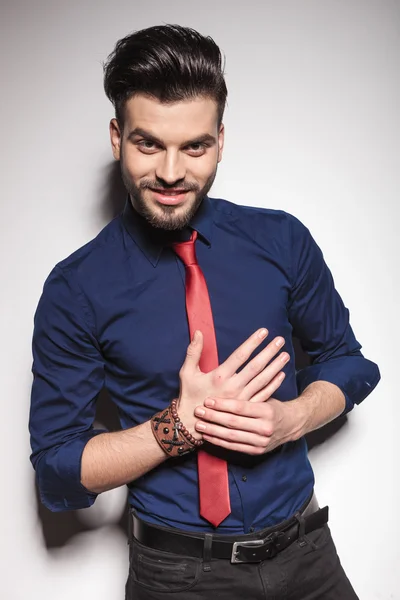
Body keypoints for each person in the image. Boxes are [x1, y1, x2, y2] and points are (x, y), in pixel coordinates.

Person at [29, 24, 380, 599]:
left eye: (194, 146)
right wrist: (178, 430)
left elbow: (350, 363)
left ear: (220, 138)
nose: (170, 172)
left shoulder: (282, 241)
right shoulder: (77, 289)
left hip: (309, 557)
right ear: (117, 137)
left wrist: (293, 418)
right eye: (149, 144)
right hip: (177, 578)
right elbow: (59, 469)